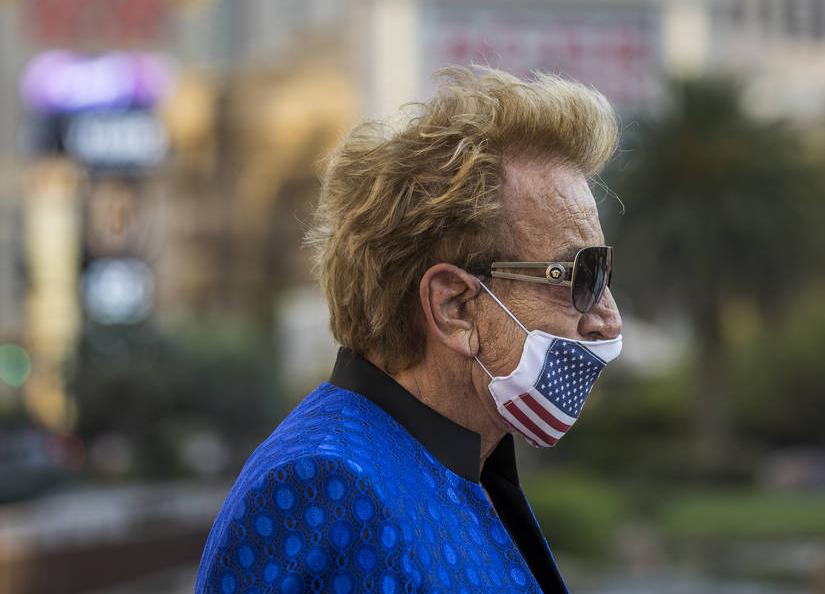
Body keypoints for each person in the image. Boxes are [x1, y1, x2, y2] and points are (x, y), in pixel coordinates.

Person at [196, 67, 623, 594]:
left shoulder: (464, 462)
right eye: (581, 277)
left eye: (604, 274)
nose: (609, 317)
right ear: (454, 307)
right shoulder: (326, 491)